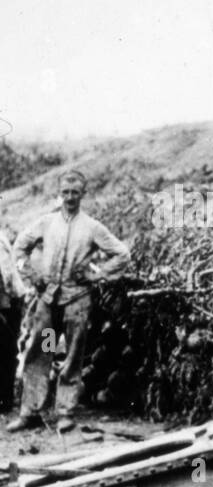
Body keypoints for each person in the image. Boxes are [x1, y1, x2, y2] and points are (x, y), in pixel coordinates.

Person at [9, 171, 129, 433]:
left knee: (73, 357)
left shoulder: (92, 227)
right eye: (66, 192)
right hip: (49, 303)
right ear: (59, 194)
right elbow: (20, 247)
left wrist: (95, 274)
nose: (70, 197)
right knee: (41, 351)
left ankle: (65, 413)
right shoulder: (46, 223)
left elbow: (121, 255)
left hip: (77, 303)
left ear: (83, 195)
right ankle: (31, 411)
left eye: (75, 192)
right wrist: (31, 274)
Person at [0, 224, 26, 413]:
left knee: (8, 351)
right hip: (11, 304)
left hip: (10, 304)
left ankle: (7, 398)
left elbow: (6, 276)